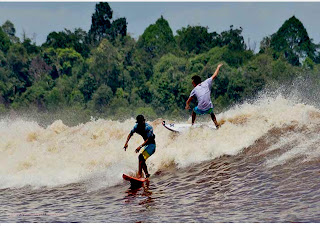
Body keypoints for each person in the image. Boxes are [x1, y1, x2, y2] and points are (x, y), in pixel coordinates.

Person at [185, 63, 223, 128]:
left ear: (194, 83)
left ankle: (192, 125)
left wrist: (187, 105)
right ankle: (216, 125)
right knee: (211, 112)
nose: (192, 84)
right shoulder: (206, 82)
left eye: (192, 83)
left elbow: (188, 101)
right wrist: (218, 67)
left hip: (201, 109)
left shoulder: (194, 90)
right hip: (209, 108)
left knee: (194, 111)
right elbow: (215, 75)